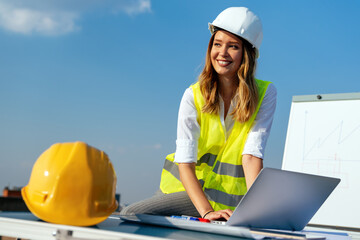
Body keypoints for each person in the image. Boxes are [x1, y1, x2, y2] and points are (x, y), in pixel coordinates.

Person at [120, 6, 277, 221]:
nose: (222, 53)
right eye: (217, 44)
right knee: (130, 214)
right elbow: (185, 163)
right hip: (189, 194)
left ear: (246, 54)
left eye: (233, 46)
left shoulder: (265, 94)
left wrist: (258, 212)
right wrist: (207, 212)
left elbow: (251, 156)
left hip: (231, 202)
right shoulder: (193, 96)